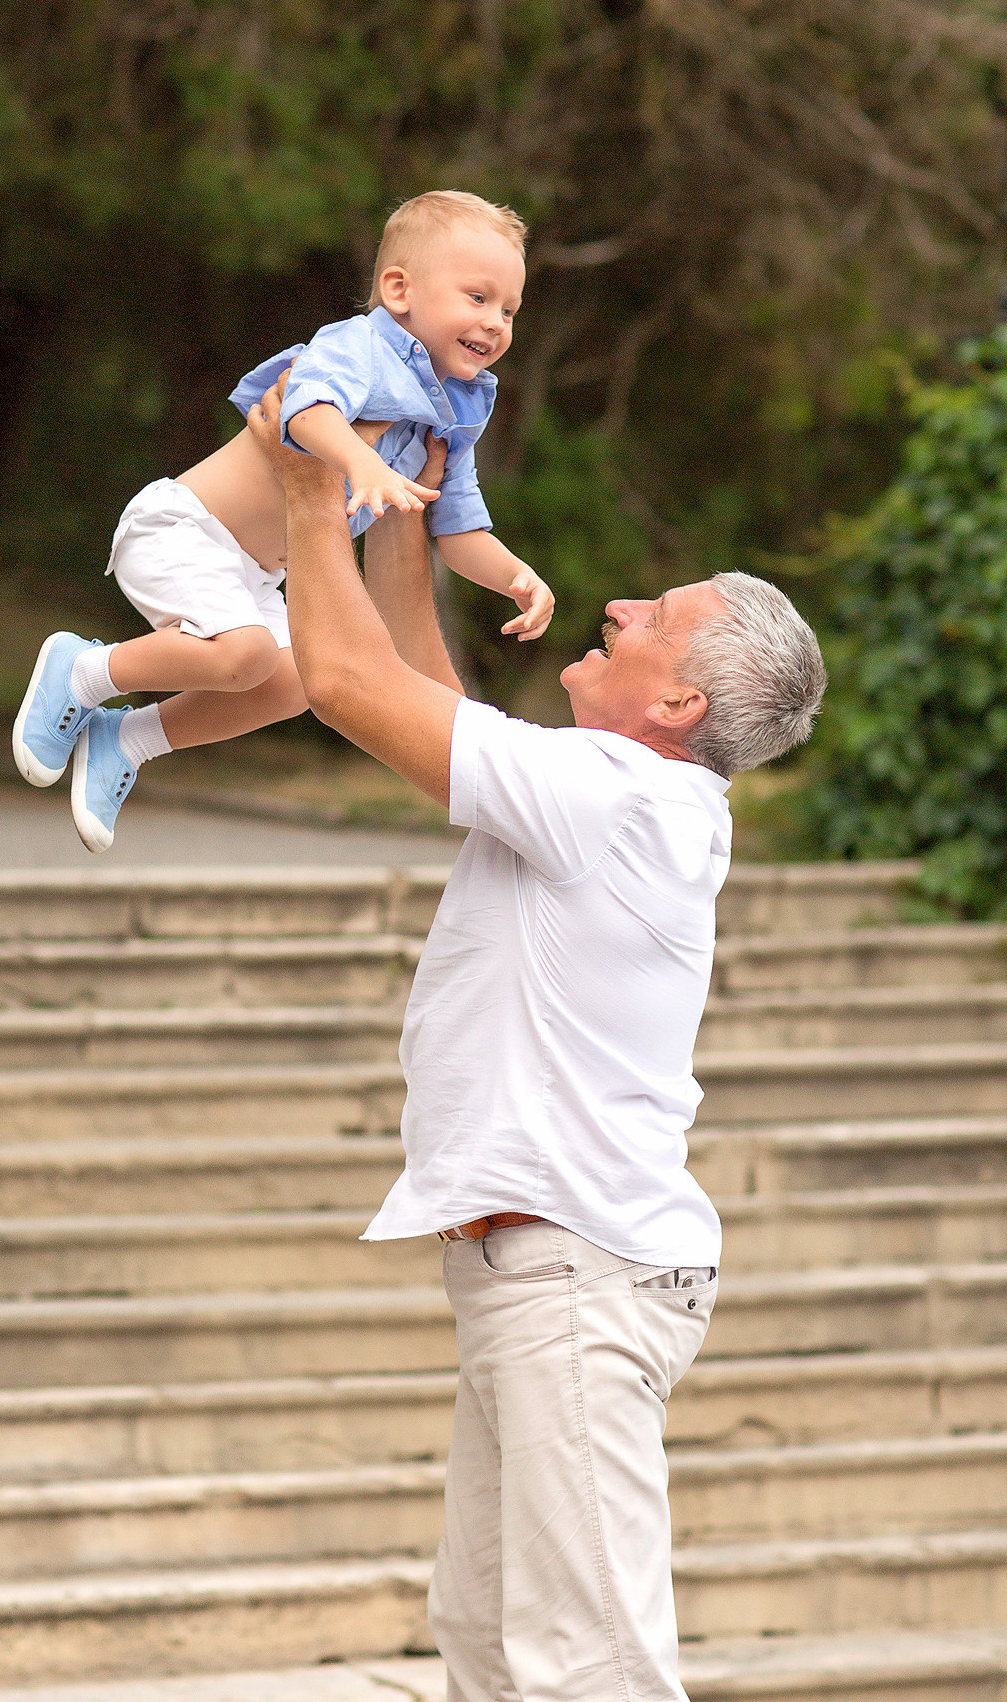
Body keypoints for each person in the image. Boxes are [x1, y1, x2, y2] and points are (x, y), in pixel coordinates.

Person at [243, 376, 826, 1702]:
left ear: (678, 706)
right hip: (555, 1272)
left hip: (575, 1275)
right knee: (495, 1645)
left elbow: (348, 685)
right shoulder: (617, 796)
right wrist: (406, 508)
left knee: (584, 1672)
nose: (617, 605)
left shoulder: (617, 796)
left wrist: (309, 487)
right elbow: (418, 694)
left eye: (655, 619)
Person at [11, 190, 554, 852]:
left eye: (509, 310)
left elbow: (457, 524)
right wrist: (364, 462)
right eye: (478, 297)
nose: (495, 322)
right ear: (399, 290)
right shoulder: (363, 346)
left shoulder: (461, 407)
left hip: (255, 572)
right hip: (184, 528)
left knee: (297, 679)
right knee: (242, 654)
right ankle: (83, 671)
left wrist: (514, 576)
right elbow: (304, 411)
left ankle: (124, 741)